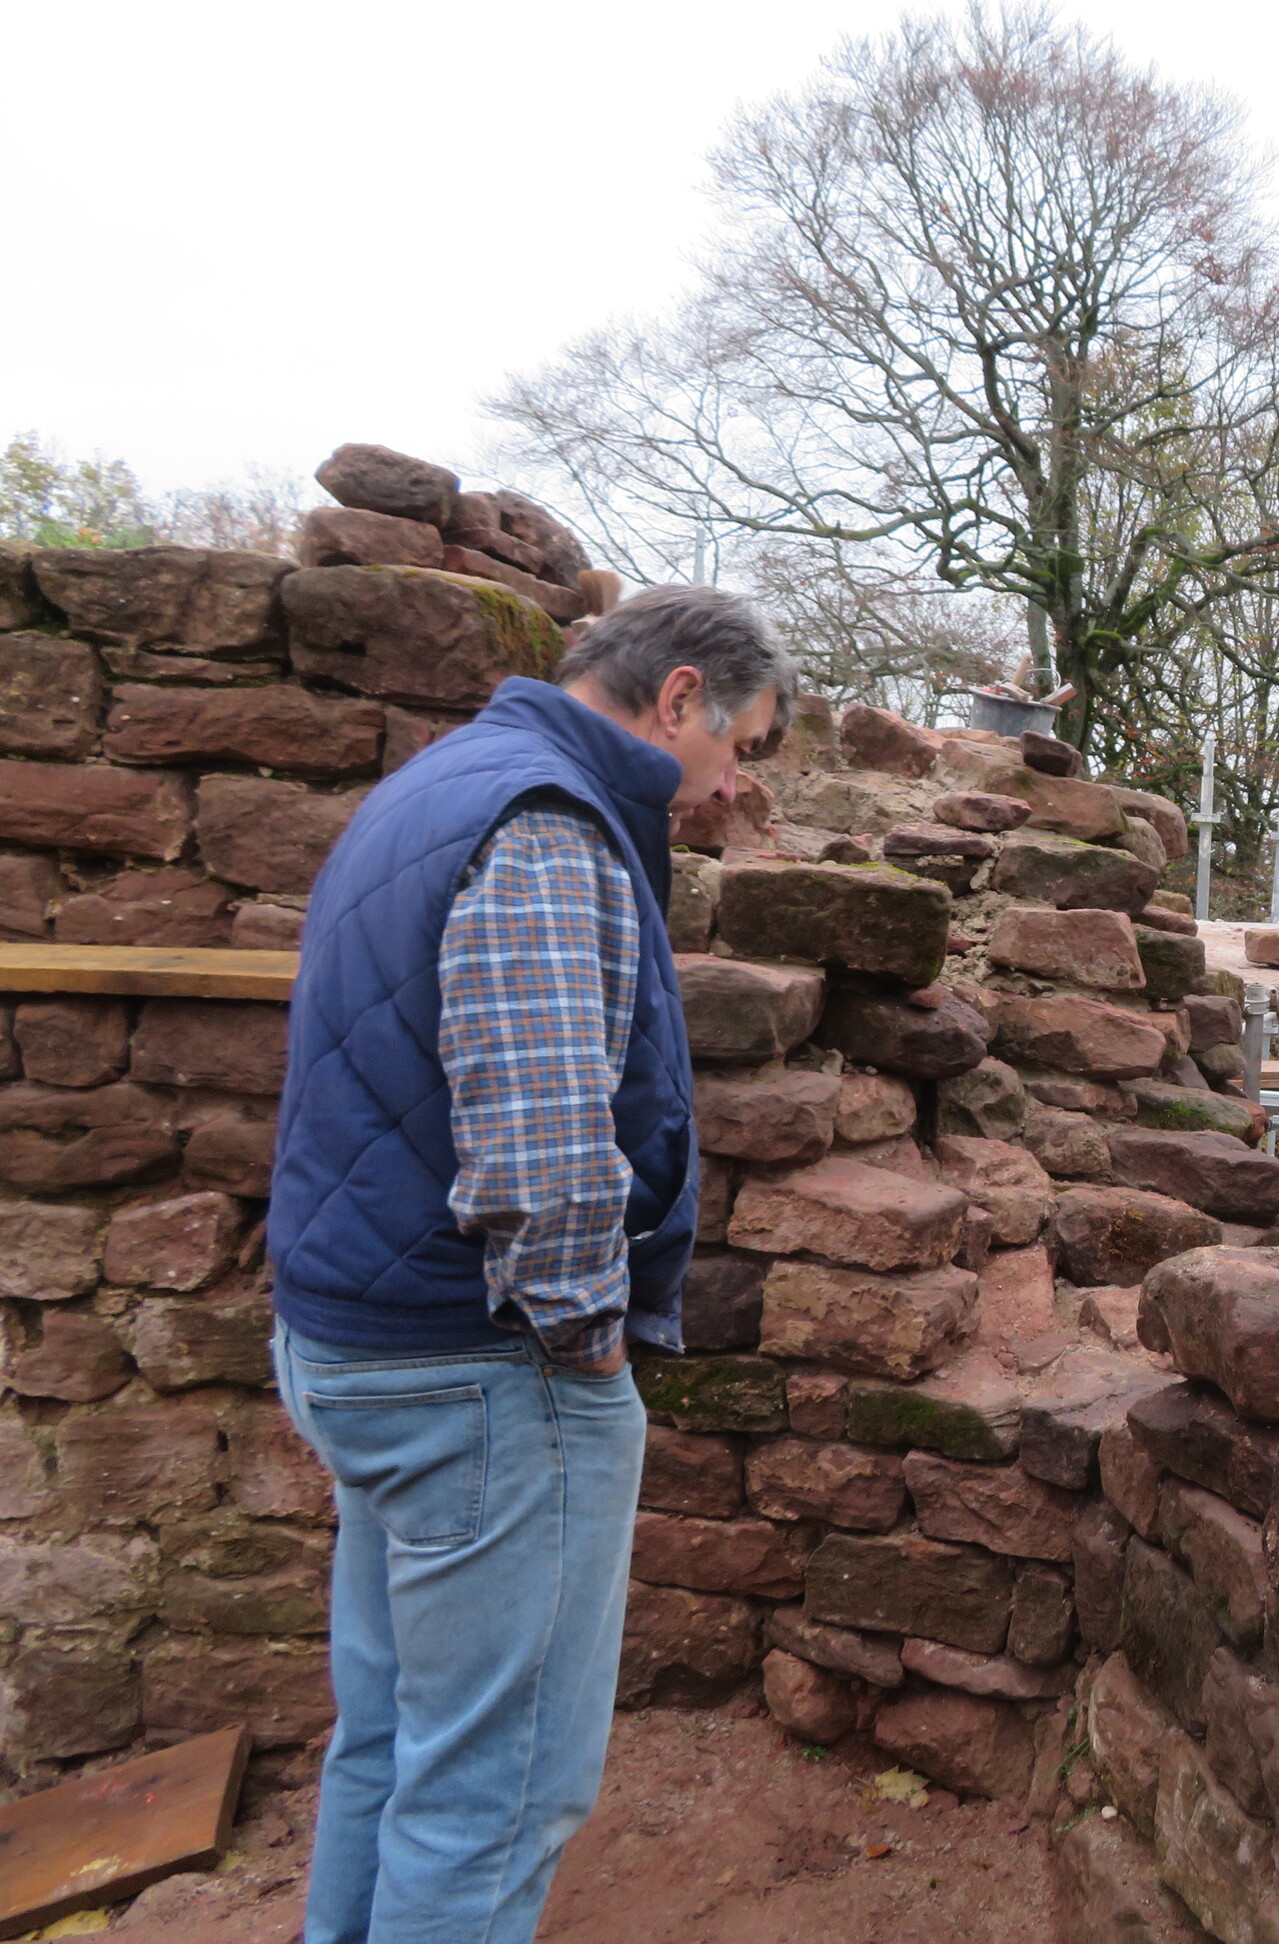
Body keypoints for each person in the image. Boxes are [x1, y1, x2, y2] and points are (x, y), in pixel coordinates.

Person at [266, 586, 798, 1944]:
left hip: (360, 1338)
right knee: (492, 1799)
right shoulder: (546, 824)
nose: (731, 788)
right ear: (679, 697)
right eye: (737, 748)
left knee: (394, 1738)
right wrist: (590, 1349)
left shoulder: (439, 781)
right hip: (479, 1370)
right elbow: (543, 1150)